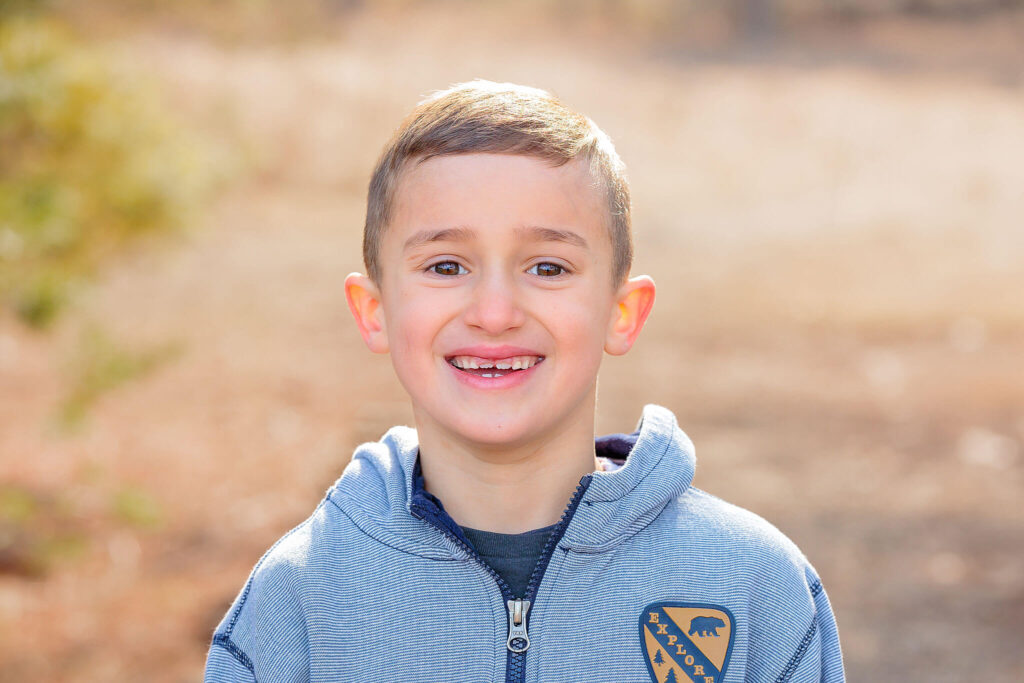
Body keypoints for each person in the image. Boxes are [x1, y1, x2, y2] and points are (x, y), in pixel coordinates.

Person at [204, 80, 844, 683]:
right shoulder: (301, 599)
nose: (495, 312)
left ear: (621, 314)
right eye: (447, 265)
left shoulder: (751, 584)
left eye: (547, 265)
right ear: (375, 312)